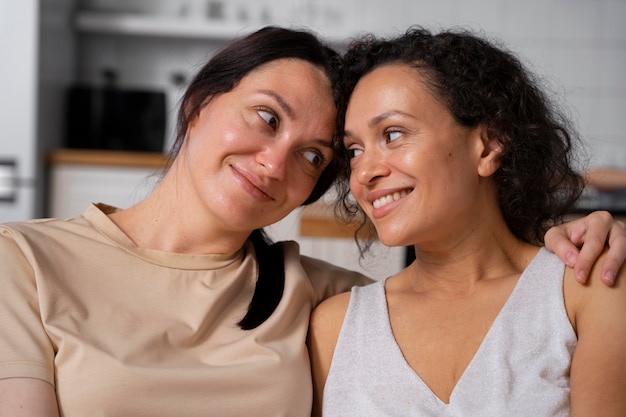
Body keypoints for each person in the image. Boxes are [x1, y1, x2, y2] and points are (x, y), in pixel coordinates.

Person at [0, 26, 622, 417]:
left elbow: (478, 286)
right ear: (196, 103)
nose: (275, 163)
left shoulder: (317, 298)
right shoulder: (24, 263)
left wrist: (576, 236)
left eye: (316, 155)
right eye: (267, 118)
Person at [309, 27, 626, 416]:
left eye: (393, 134)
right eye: (354, 150)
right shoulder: (335, 328)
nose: (364, 173)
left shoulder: (585, 290)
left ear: (489, 144)